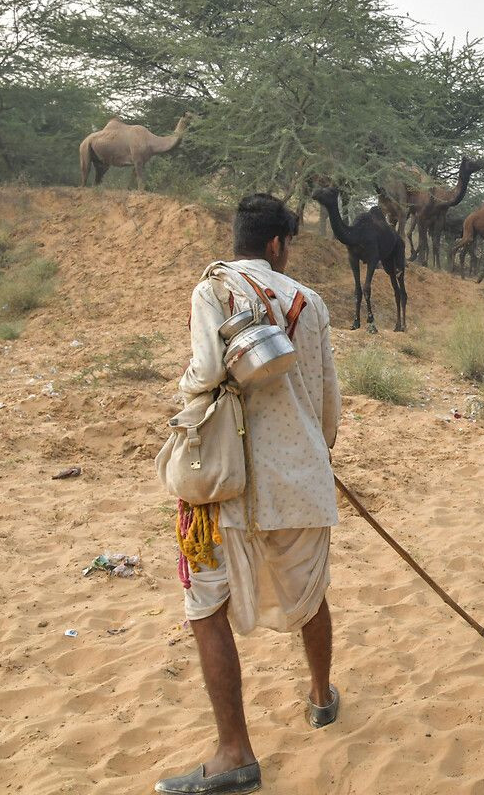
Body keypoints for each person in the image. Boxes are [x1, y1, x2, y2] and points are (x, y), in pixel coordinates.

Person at [156, 193, 343, 795]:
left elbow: (207, 371)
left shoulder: (212, 290)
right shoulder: (309, 302)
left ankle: (234, 751)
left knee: (205, 605)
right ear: (277, 245)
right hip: (300, 480)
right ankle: (320, 697)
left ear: (243, 240)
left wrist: (187, 387)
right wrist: (317, 451)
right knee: (310, 593)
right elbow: (327, 400)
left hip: (224, 484)